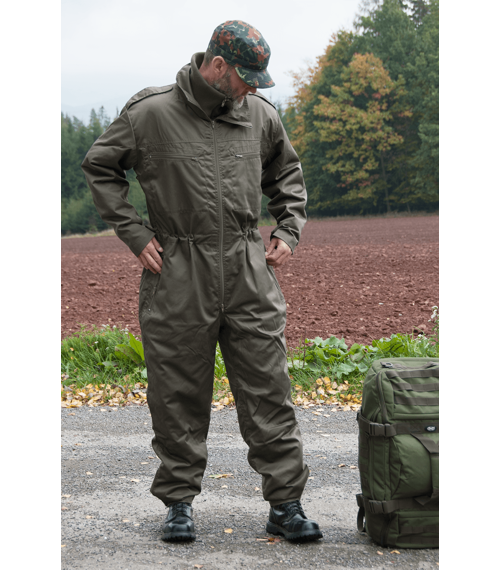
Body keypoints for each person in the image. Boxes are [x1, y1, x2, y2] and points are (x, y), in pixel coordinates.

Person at [82, 20, 322, 544]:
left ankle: (286, 505)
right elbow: (100, 166)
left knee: (269, 390)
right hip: (177, 269)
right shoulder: (150, 114)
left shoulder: (260, 116)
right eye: (245, 78)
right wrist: (134, 232)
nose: (252, 89)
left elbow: (286, 173)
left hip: (248, 270)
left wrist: (288, 228)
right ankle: (178, 505)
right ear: (217, 66)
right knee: (176, 394)